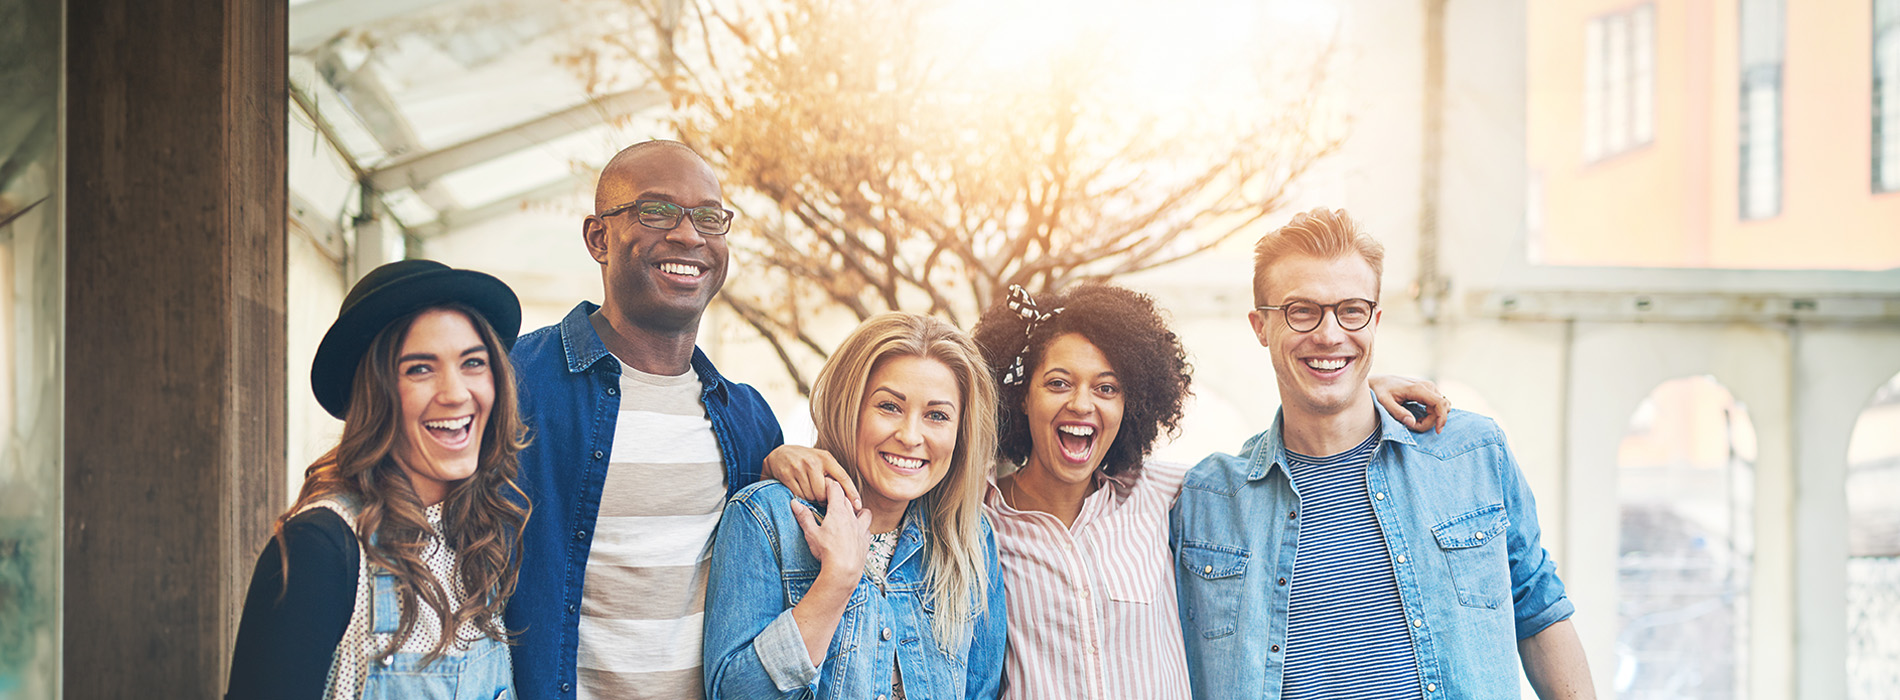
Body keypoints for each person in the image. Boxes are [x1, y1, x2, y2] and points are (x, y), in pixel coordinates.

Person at [769, 283, 1448, 700]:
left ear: (1133, 403)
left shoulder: (1173, 499)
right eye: (1058, 382)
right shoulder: (967, 523)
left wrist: (1358, 400)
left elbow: (1281, 468)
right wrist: (789, 456)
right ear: (1019, 398)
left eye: (1108, 387)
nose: (1082, 406)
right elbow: (888, 480)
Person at [1170, 207, 1595, 699]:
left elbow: (1539, 612)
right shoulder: (1206, 500)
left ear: (1375, 319)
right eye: (1301, 311)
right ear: (1261, 326)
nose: (1329, 334)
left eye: (1350, 309)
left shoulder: (1472, 455)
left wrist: (1355, 392)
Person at [505, 140, 783, 700]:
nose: (689, 235)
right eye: (656, 211)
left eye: (710, 217)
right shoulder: (512, 385)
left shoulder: (750, 422)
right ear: (597, 238)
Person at [226, 259, 529, 700]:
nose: (456, 392)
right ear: (375, 392)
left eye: (473, 363)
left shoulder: (479, 538)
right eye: (420, 369)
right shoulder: (323, 548)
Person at [703, 312, 1008, 699]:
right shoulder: (767, 519)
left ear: (960, 431)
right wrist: (835, 583)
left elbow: (980, 691)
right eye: (889, 407)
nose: (911, 436)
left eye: (937, 415)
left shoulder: (970, 537)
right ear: (850, 406)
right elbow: (735, 694)